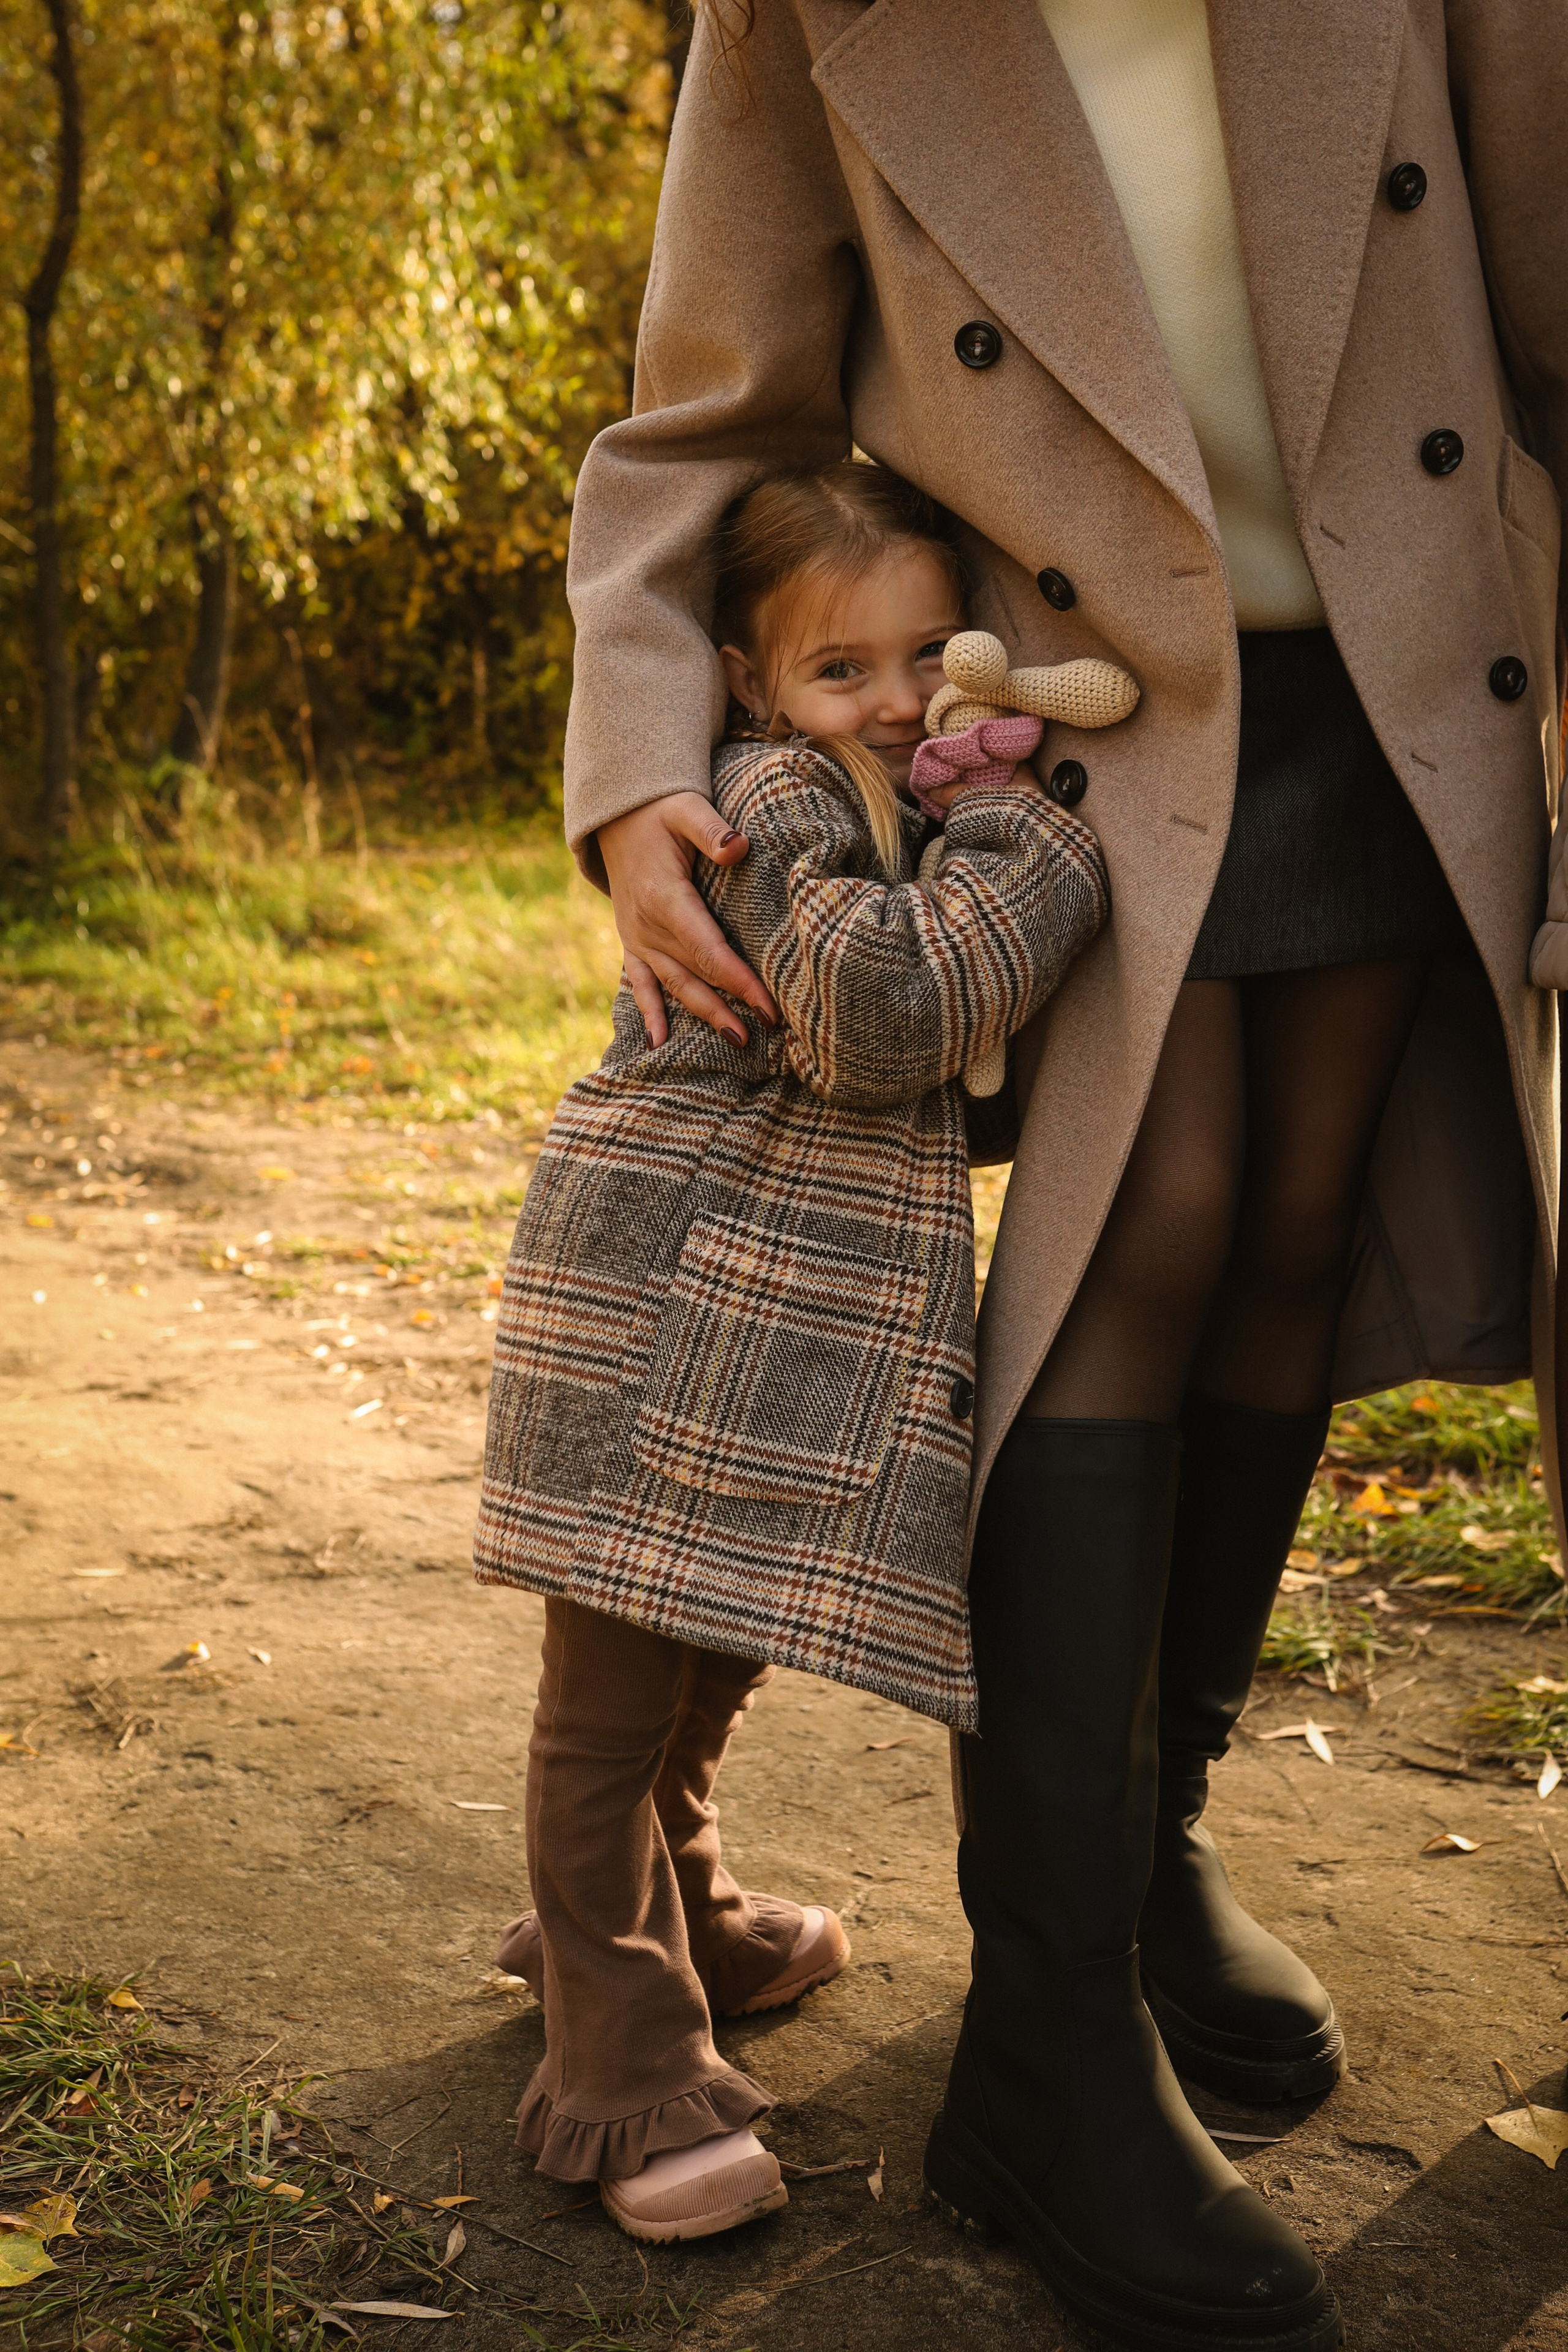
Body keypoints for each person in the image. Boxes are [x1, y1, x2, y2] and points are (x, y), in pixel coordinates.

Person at [558, 4, 1566, 2345]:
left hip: (1411, 671)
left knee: (1300, 1236)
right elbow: (705, 419)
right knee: (1152, 1227)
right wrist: (633, 769)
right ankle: (1043, 2025)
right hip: (1056, 728)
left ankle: (1148, 1835)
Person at [473, 461, 1109, 2245]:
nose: (898, 703)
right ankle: (620, 2052)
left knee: (719, 1638)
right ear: (755, 685)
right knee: (607, 1698)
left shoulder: (884, 792)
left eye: (928, 658)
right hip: (671, 1285)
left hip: (789, 1304)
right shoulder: (763, 800)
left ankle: (681, 1899)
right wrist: (1045, 845)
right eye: (846, 671)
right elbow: (877, 1011)